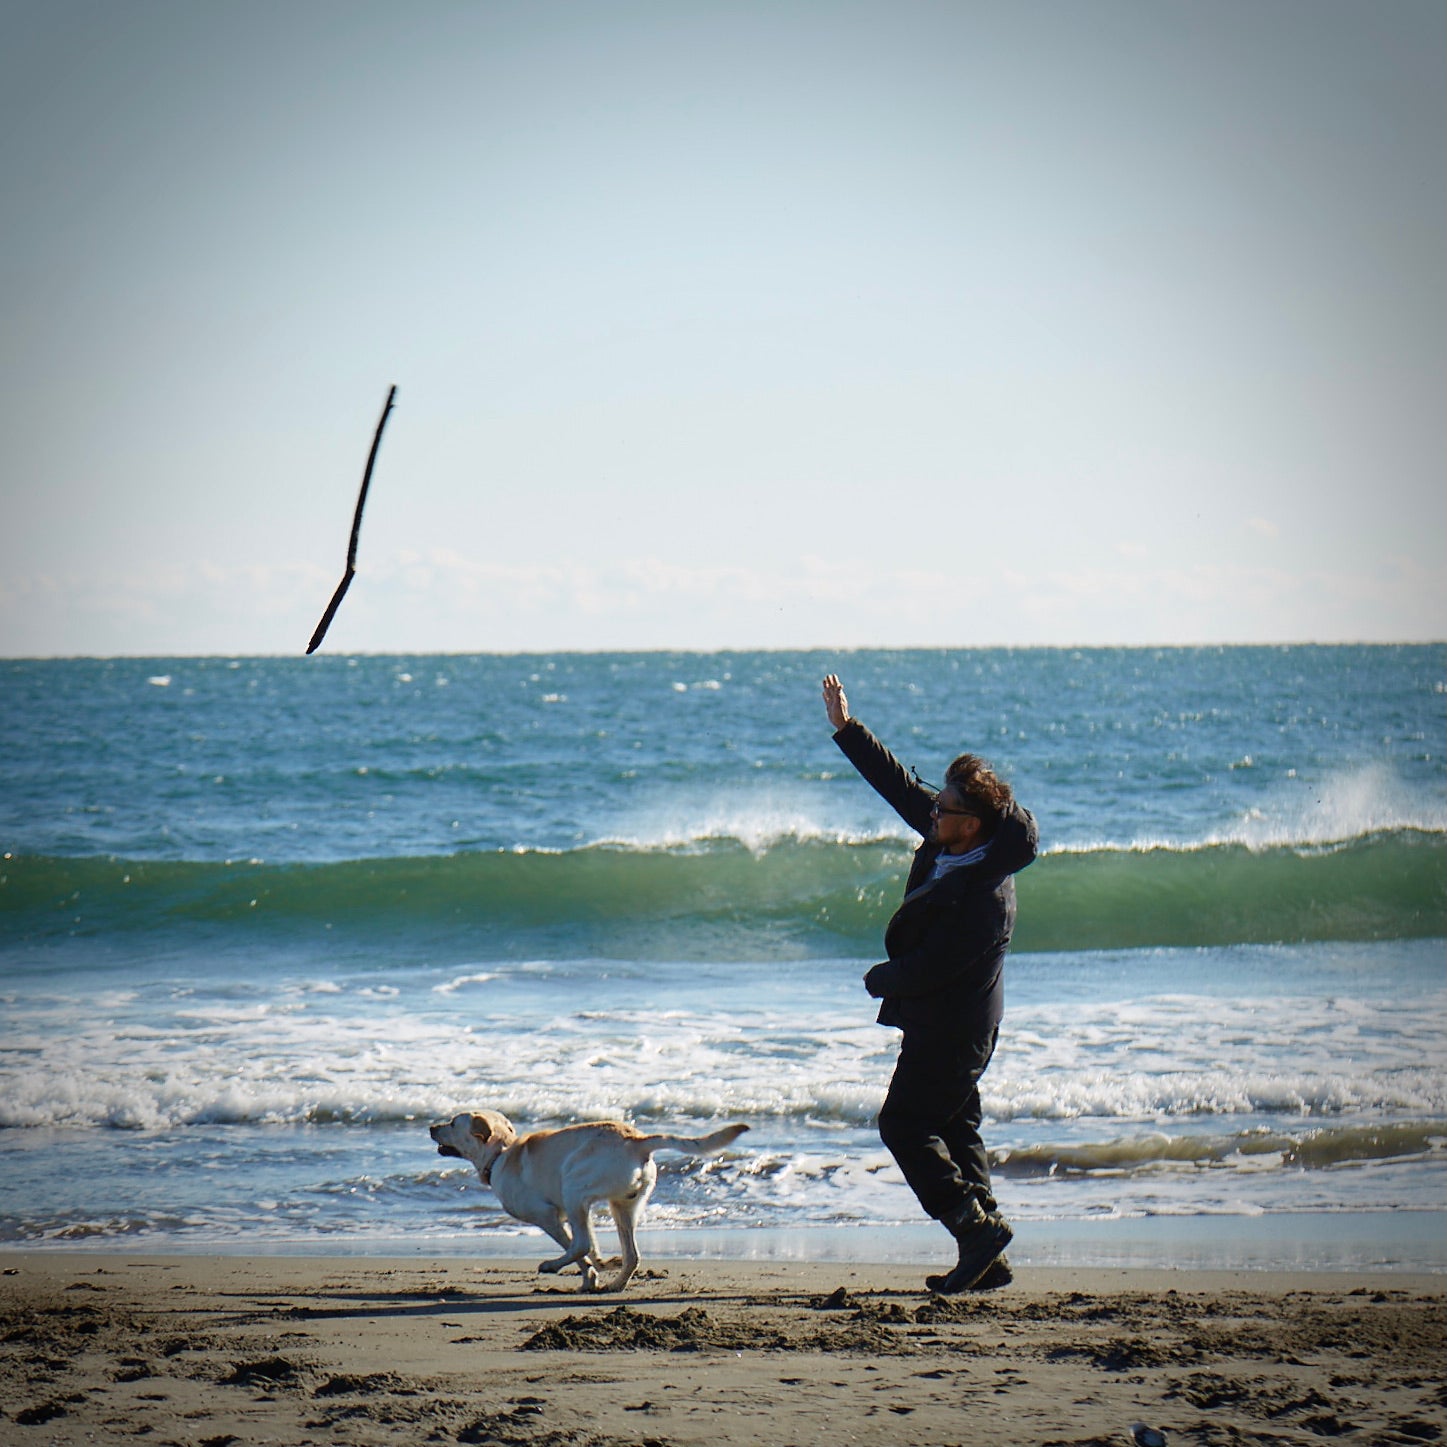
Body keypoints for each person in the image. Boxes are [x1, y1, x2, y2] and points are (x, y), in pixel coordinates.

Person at [821, 673, 1038, 1293]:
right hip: (945, 1020)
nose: (932, 810)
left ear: (970, 823)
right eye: (938, 804)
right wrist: (847, 727)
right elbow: (896, 784)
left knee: (905, 1127)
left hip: (956, 1025)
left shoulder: (986, 891)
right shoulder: (952, 835)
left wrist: (883, 977)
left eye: (944, 807)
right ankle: (987, 1249)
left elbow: (940, 965)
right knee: (957, 1125)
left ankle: (974, 1232)